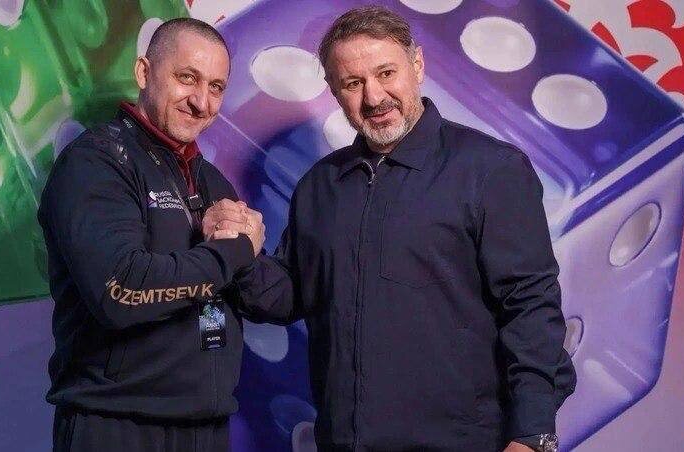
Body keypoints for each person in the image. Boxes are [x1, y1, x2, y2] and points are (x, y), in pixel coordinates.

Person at [204, 6, 575, 452]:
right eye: (353, 83)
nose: (374, 96)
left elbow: (531, 307)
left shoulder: (491, 169)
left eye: (386, 73)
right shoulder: (319, 186)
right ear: (334, 90)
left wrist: (533, 435)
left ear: (417, 65)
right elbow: (290, 295)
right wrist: (241, 255)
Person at [37, 18, 265, 452]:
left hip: (205, 426)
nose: (201, 101)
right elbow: (121, 291)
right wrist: (235, 251)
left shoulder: (210, 180)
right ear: (144, 72)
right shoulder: (96, 162)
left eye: (216, 87)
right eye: (187, 78)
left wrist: (257, 255)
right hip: (118, 424)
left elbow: (265, 295)